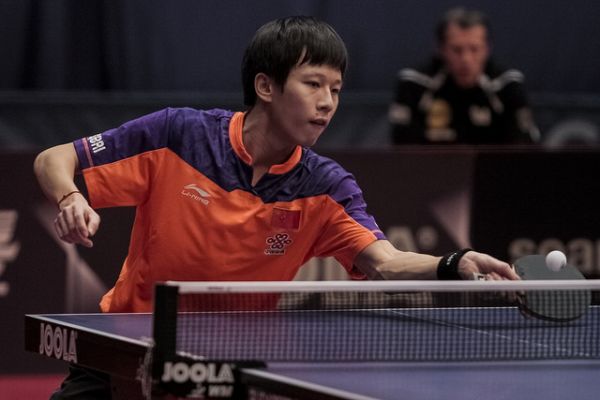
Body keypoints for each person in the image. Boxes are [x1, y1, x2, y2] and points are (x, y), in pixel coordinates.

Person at [34, 16, 519, 399]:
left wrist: (453, 263)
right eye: (313, 84)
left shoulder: (325, 186)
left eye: (336, 89)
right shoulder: (178, 135)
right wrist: (70, 197)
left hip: (225, 370)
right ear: (266, 86)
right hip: (127, 347)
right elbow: (54, 159)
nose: (327, 103)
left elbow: (385, 262)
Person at [389, 7, 539, 145]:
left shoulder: (506, 84)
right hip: (431, 166)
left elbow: (526, 145)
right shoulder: (415, 83)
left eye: (474, 49)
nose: (466, 59)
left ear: (487, 49)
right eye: (457, 49)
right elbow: (401, 147)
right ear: (441, 49)